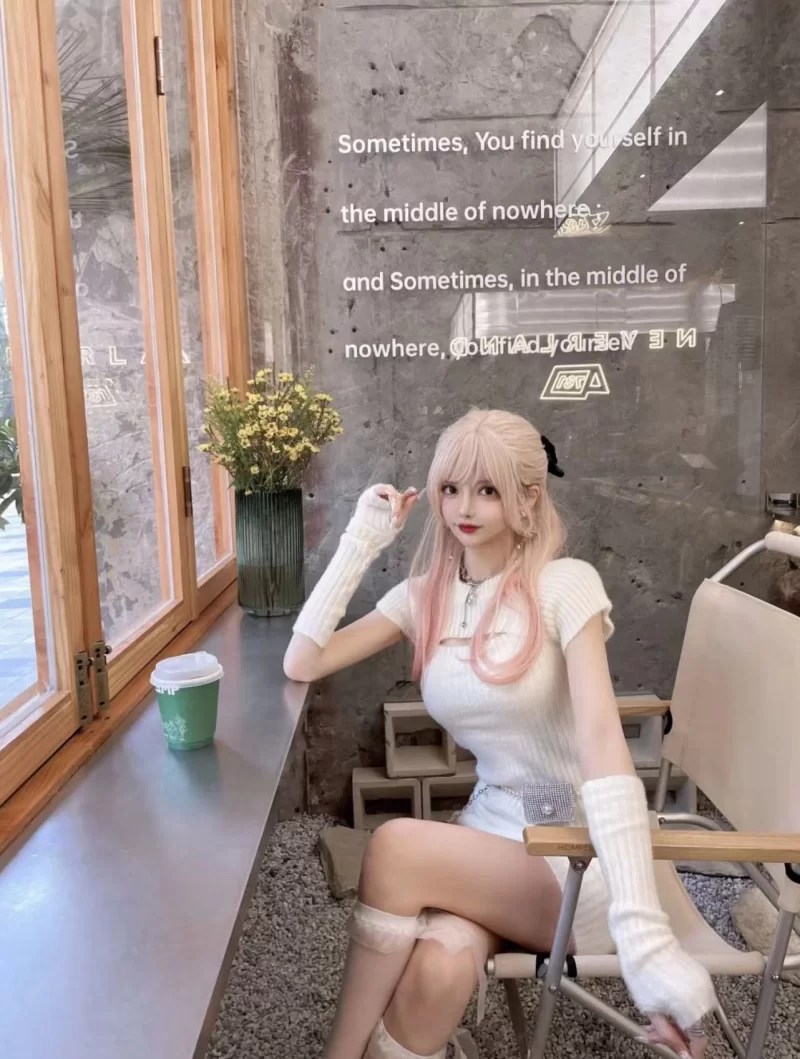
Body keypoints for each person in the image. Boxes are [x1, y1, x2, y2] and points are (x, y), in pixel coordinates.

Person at [284, 408, 716, 1059]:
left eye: (488, 490)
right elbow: (303, 662)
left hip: (573, 854)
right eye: (451, 488)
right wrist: (361, 541)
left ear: (528, 497)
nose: (465, 507)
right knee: (438, 972)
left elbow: (603, 741)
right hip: (489, 835)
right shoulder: (425, 595)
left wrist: (644, 939)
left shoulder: (566, 586)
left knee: (396, 846)